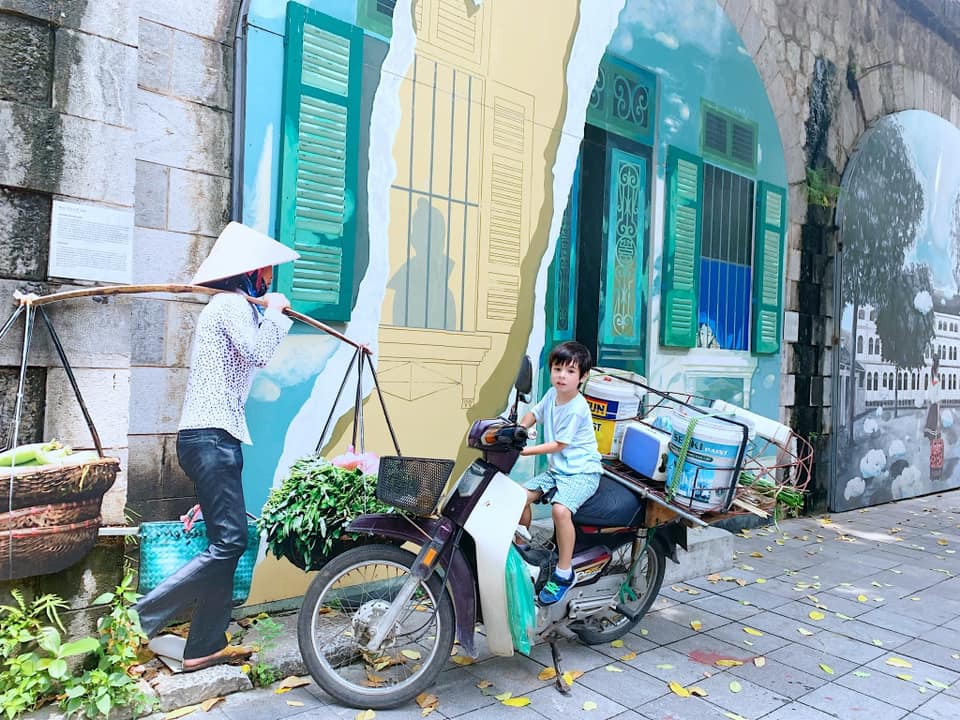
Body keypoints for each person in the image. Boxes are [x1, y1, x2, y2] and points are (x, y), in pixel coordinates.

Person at [134, 222, 298, 671]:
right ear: (249, 273)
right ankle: (139, 619)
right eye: (265, 270)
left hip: (214, 437)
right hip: (210, 438)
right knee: (231, 541)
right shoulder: (228, 305)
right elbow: (259, 354)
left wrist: (268, 313)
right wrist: (278, 313)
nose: (269, 277)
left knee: (224, 541)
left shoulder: (235, 307)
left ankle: (205, 645)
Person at [518, 341, 602, 605]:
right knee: (518, 497)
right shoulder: (552, 395)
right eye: (557, 369)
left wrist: (523, 450)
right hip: (559, 470)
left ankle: (564, 573)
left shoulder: (577, 407)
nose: (562, 376)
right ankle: (523, 551)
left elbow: (558, 445)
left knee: (560, 511)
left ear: (583, 377)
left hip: (581, 472)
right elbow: (534, 413)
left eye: (570, 371)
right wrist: (517, 429)